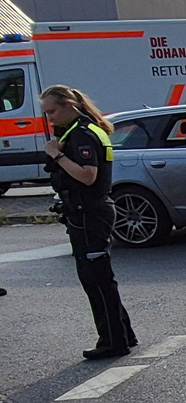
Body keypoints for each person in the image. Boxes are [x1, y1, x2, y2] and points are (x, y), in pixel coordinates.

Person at [41, 85, 137, 359]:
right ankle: (122, 333)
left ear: (69, 105)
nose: (50, 118)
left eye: (53, 111)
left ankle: (113, 341)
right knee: (101, 278)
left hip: (89, 212)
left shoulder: (81, 134)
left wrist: (56, 154)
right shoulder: (83, 129)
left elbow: (87, 175)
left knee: (95, 279)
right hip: (88, 211)